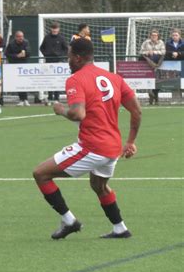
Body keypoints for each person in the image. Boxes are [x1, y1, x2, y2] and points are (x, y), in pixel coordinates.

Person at [32, 38, 142, 240]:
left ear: (78, 57)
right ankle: (120, 228)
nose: (68, 61)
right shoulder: (113, 77)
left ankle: (69, 221)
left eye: (69, 57)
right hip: (113, 147)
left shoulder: (76, 79)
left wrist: (61, 110)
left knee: (40, 174)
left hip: (93, 147)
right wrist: (131, 142)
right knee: (99, 186)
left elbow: (78, 114)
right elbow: (137, 111)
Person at [40, 22, 69, 104]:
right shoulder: (47, 37)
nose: (54, 30)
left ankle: (57, 98)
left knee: (57, 80)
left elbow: (66, 49)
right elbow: (41, 48)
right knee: (49, 79)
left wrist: (60, 56)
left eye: (56, 28)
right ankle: (50, 97)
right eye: (53, 28)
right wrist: (46, 54)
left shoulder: (61, 38)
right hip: (49, 61)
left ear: (58, 29)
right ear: (51, 29)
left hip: (58, 62)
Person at [5, 30, 30, 106]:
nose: (20, 38)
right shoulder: (11, 44)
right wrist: (16, 56)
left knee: (24, 82)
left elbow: (29, 52)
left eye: (22, 36)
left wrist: (25, 54)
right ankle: (21, 99)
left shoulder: (26, 43)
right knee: (18, 82)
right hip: (15, 65)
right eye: (19, 37)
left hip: (24, 65)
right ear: (16, 37)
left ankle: (26, 99)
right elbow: (7, 54)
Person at [140, 29, 165, 105]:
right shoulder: (146, 42)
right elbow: (141, 52)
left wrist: (154, 52)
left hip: (158, 65)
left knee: (158, 81)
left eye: (155, 35)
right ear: (150, 36)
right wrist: (147, 52)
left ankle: (156, 97)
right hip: (148, 65)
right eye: (152, 35)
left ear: (158, 36)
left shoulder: (161, 43)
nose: (154, 36)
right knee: (148, 80)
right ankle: (150, 94)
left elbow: (163, 52)